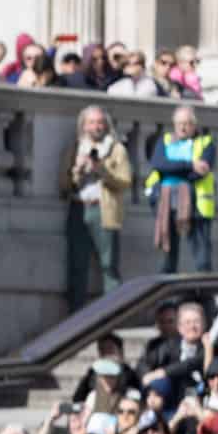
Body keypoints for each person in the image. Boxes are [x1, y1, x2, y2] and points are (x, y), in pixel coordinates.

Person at [62, 104, 132, 307]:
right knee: (77, 265)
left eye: (100, 122)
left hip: (103, 209)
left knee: (108, 264)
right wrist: (78, 171)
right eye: (92, 122)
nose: (97, 126)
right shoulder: (75, 148)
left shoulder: (116, 149)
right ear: (83, 126)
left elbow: (125, 181)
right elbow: (64, 183)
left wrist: (101, 170)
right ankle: (76, 316)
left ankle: (112, 312)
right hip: (78, 207)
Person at [145, 104, 217, 274]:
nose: (183, 127)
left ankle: (205, 297)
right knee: (167, 256)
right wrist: (190, 164)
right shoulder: (164, 141)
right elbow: (159, 165)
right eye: (180, 124)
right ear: (174, 124)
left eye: (187, 123)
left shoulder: (206, 143)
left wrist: (174, 170)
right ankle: (166, 298)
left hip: (195, 204)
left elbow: (201, 172)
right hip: (165, 201)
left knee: (202, 258)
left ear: (195, 125)